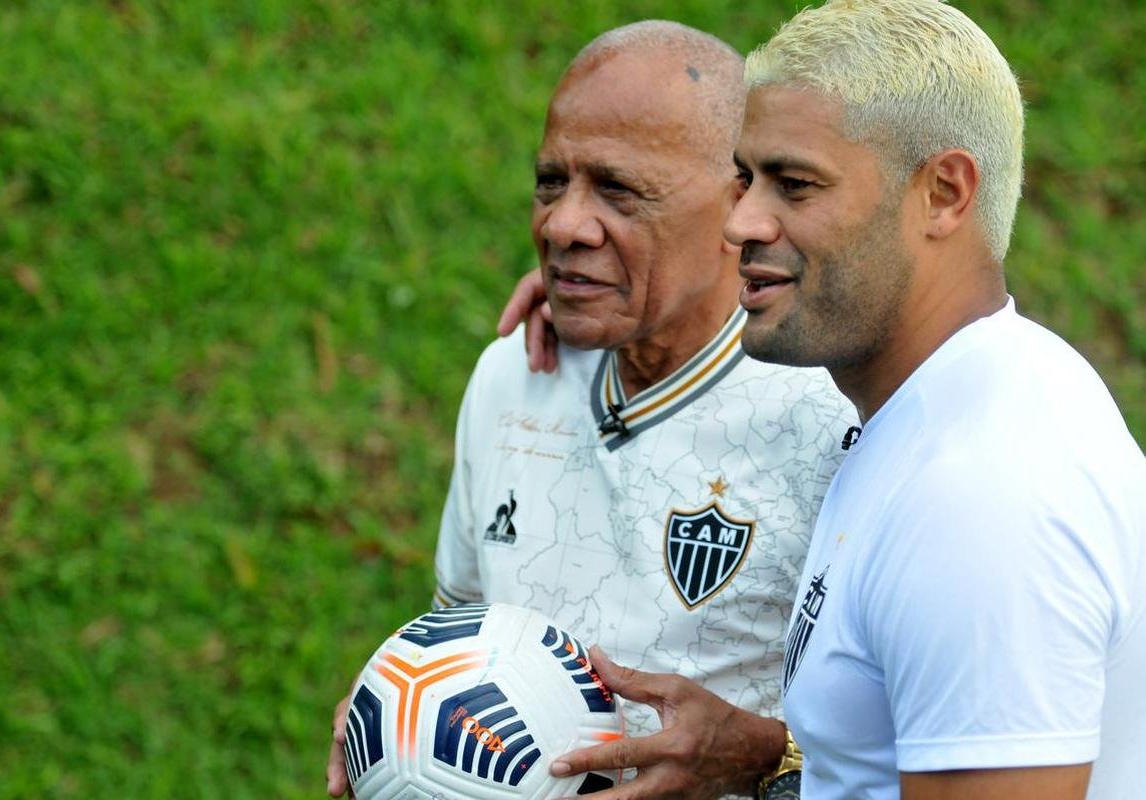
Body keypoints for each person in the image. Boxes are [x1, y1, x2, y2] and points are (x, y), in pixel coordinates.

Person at [326, 21, 857, 800]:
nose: (562, 225)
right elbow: (459, 634)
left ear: (736, 204)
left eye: (617, 190)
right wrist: (400, 711)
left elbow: (927, 746)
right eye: (551, 182)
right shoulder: (515, 373)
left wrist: (762, 758)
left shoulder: (836, 421)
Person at [707, 1, 1144, 798]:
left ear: (943, 192)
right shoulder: (957, 404)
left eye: (793, 184)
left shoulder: (979, 494)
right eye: (744, 176)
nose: (739, 220)